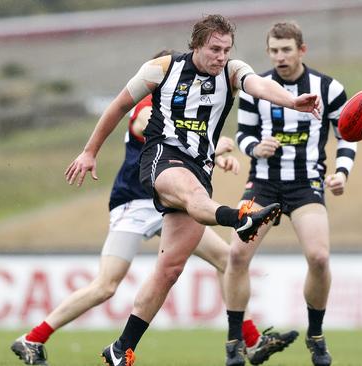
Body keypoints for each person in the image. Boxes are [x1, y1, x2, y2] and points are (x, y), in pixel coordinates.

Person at [10, 49, 298, 366]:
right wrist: (217, 147)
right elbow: (147, 128)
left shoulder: (183, 107)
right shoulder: (148, 107)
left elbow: (187, 143)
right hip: (134, 203)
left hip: (173, 202)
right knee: (105, 286)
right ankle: (32, 338)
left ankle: (250, 340)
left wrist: (214, 153)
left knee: (226, 259)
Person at [64, 14, 321, 366]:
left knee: (169, 269)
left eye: (226, 49)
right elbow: (121, 105)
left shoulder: (231, 71)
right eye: (214, 49)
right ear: (196, 45)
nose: (220, 56)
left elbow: (259, 86)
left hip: (201, 166)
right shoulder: (162, 68)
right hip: (161, 158)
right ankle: (239, 217)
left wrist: (292, 102)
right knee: (193, 196)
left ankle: (120, 348)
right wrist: (90, 151)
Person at [224, 22, 356, 366]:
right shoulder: (257, 88)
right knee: (237, 255)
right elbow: (243, 135)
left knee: (320, 258)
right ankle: (234, 342)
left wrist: (341, 172)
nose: (280, 56)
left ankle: (316, 336)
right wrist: (256, 147)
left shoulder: (328, 88)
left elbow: (348, 135)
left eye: (286, 49)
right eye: (274, 50)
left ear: (302, 49)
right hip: (264, 183)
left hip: (305, 185)